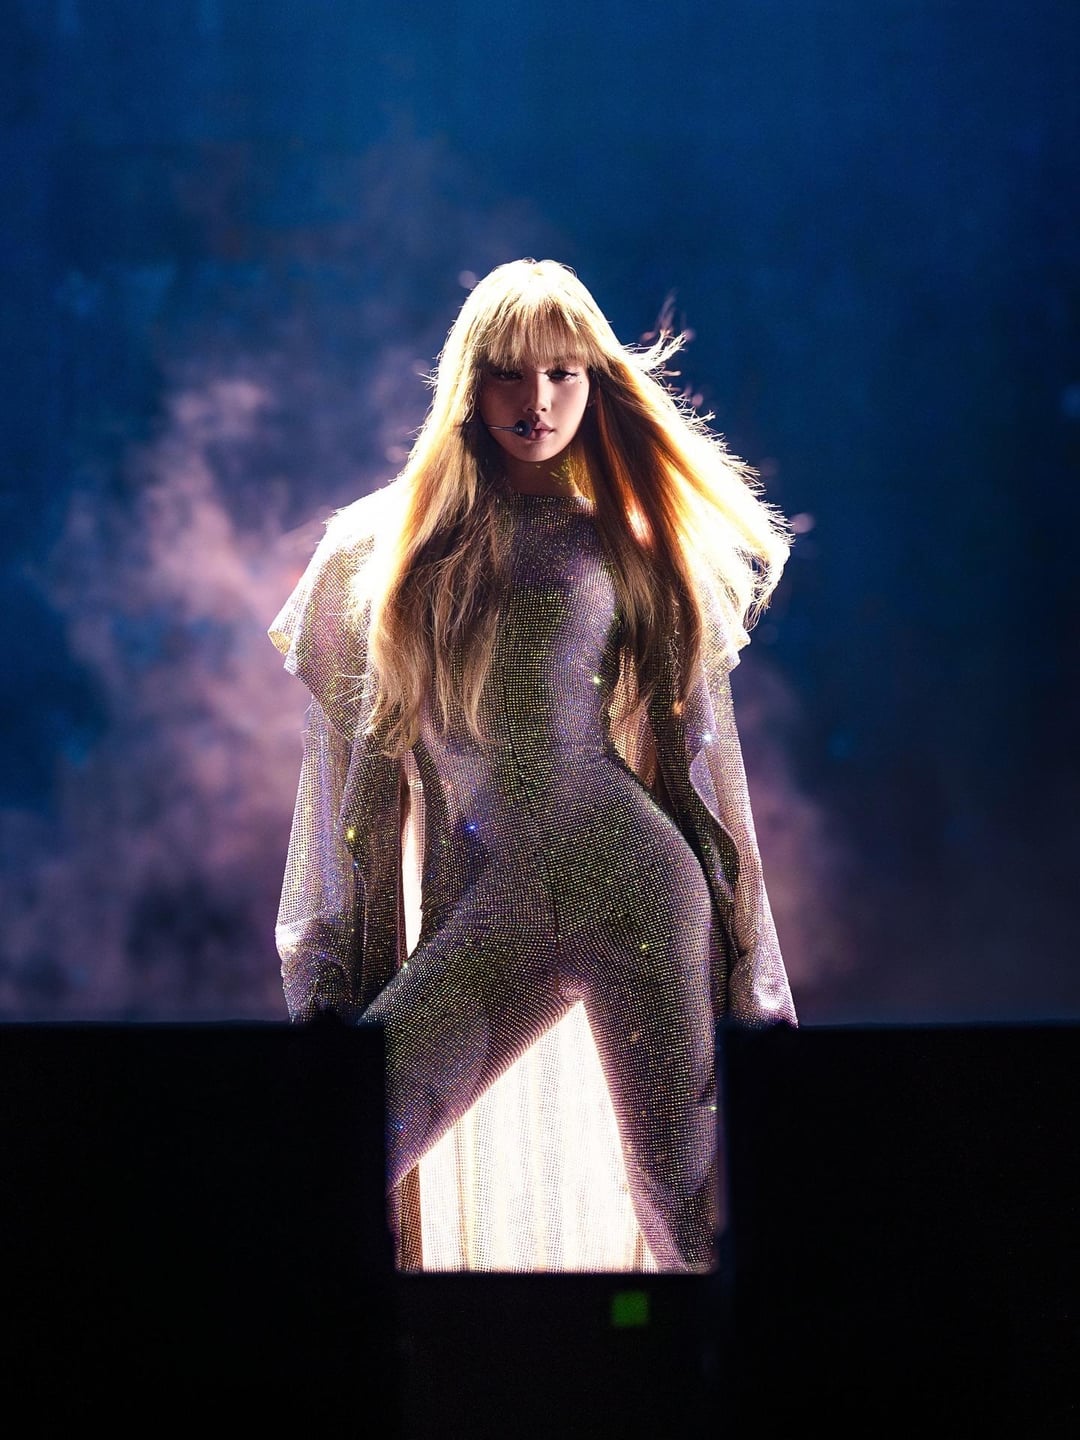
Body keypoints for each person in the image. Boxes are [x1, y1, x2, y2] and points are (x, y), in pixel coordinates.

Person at [269, 259, 797, 1274]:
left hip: (637, 889)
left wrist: (754, 977)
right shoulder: (374, 553)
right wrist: (324, 979)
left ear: (597, 382)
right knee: (332, 1150)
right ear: (468, 385)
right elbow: (340, 786)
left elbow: (706, 771)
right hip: (494, 914)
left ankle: (746, 1370)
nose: (538, 399)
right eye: (510, 372)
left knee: (687, 1212)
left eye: (563, 372)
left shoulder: (631, 543)